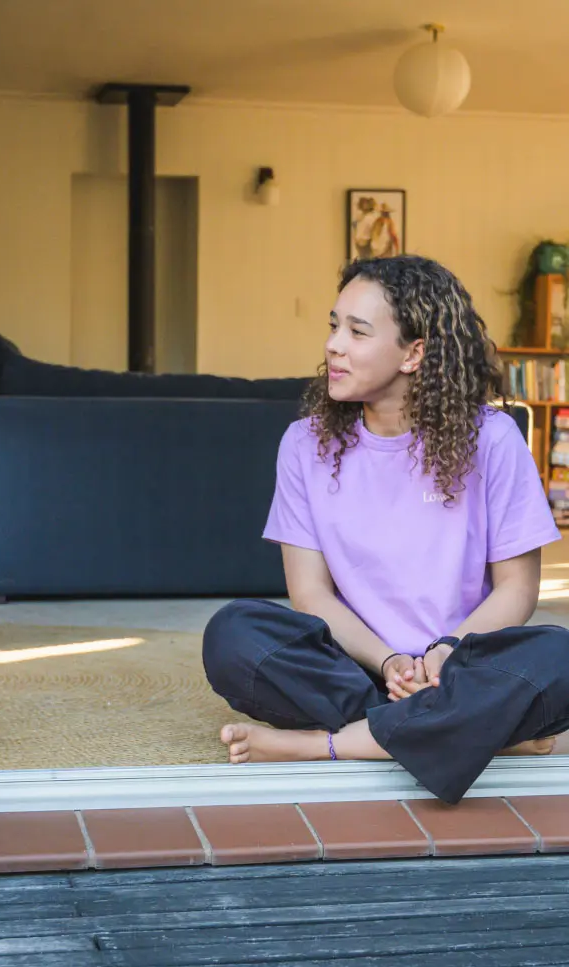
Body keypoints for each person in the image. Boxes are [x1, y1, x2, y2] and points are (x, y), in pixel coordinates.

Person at [202, 254, 569, 805]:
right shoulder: (304, 443)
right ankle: (467, 731)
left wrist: (444, 652)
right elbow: (310, 595)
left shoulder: (492, 439)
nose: (333, 345)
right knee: (233, 634)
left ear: (414, 354)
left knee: (559, 655)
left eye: (357, 331)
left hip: (461, 666)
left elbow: (517, 588)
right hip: (355, 666)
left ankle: (331, 744)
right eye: (334, 326)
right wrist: (389, 661)